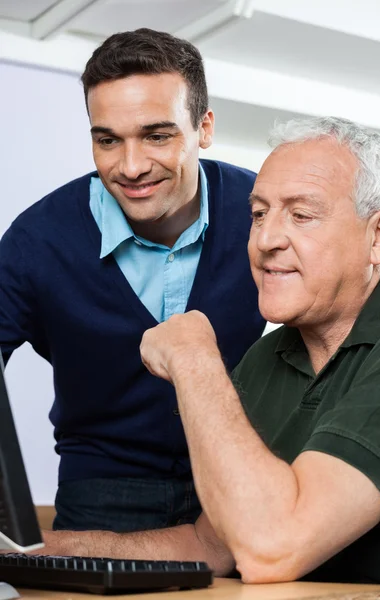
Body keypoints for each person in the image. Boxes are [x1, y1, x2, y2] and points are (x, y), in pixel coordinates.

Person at [41, 116, 380, 585]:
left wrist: (194, 357)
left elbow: (271, 547)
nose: (265, 240)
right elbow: (211, 546)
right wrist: (40, 550)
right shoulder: (265, 358)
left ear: (379, 237)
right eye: (258, 214)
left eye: (301, 215)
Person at [0, 29, 265, 532]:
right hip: (100, 493)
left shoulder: (261, 212)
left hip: (241, 481)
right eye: (107, 141)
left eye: (157, 135)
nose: (132, 166)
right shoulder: (38, 239)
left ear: (203, 128)